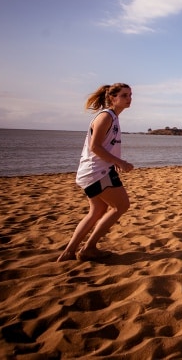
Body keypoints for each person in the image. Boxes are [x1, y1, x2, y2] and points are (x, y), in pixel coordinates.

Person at [57, 83, 134, 262]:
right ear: (112, 98)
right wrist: (119, 162)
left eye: (130, 95)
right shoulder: (106, 116)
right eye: (124, 95)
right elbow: (95, 147)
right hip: (96, 172)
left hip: (96, 171)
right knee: (121, 206)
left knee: (98, 210)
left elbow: (104, 146)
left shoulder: (113, 117)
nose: (129, 99)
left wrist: (113, 160)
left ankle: (69, 252)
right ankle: (88, 248)